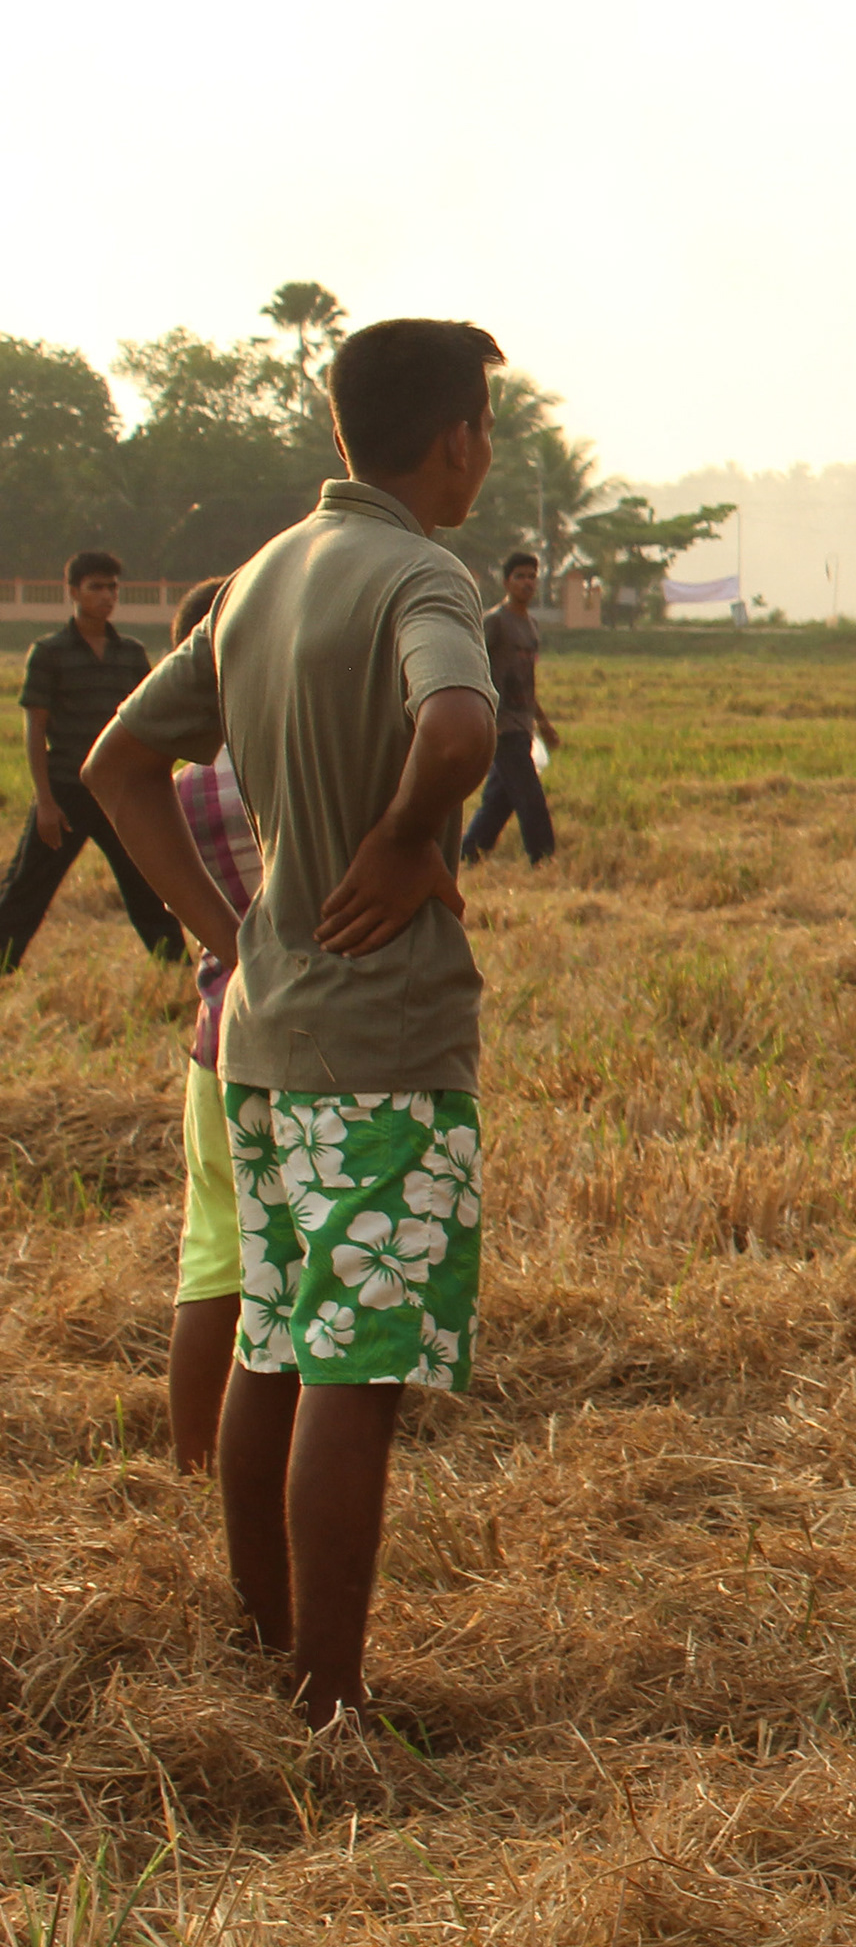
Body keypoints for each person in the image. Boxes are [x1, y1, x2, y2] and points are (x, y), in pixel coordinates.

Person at [81, 320, 506, 1733]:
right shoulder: (419, 573)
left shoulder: (263, 574)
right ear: (451, 438)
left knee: (273, 1332)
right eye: (484, 430)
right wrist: (401, 840)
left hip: (261, 1034)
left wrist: (230, 934)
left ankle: (272, 1643)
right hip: (378, 1043)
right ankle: (331, 1691)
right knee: (357, 1367)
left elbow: (118, 764)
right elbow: (458, 731)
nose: (484, 456)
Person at [157, 575, 256, 1472]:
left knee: (211, 1259)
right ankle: (272, 1465)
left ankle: (192, 1463)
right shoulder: (267, 765)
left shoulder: (180, 781)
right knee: (293, 1273)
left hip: (211, 1030)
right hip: (284, 1040)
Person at [3, 549, 183, 973]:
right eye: (96, 587)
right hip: (66, 790)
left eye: (112, 587)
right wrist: (44, 801)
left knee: (146, 885)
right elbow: (35, 730)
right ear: (73, 592)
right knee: (27, 889)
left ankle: (177, 972)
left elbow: (145, 724)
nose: (107, 596)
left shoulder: (131, 654)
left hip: (119, 793)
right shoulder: (49, 653)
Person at [458, 552, 563, 865]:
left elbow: (527, 680)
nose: (527, 582)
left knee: (499, 800)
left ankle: (468, 853)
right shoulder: (495, 622)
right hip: (500, 724)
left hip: (522, 722)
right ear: (506, 582)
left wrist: (542, 723)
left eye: (532, 576)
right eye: (520, 576)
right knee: (530, 797)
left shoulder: (530, 626)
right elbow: (471, 664)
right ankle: (543, 858)